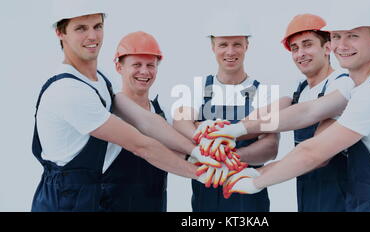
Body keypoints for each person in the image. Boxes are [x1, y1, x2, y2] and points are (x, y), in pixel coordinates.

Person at [211, 2, 370, 212]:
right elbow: (307, 111)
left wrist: (256, 180)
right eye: (337, 36)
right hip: (360, 199)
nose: (342, 45)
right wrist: (236, 128)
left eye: (353, 35)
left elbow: (314, 152)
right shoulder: (357, 85)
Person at [31, 0, 218, 212]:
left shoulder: (100, 80)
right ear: (60, 32)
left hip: (89, 199)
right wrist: (205, 174)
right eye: (81, 28)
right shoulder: (68, 90)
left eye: (97, 26)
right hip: (63, 202)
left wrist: (197, 150)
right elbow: (141, 145)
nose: (92, 36)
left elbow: (145, 120)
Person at [173, 13, 279, 212]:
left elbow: (271, 146)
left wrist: (227, 159)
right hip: (206, 193)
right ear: (213, 47)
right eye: (223, 44)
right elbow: (180, 122)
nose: (230, 51)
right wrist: (201, 134)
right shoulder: (197, 88)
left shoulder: (263, 93)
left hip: (249, 193)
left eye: (237, 44)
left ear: (247, 45)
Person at [281, 14, 354, 212]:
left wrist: (261, 177)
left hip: (340, 200)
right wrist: (226, 130)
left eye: (307, 44)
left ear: (327, 47)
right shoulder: (299, 89)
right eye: (295, 48)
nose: (300, 53)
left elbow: (318, 156)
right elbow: (266, 116)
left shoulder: (341, 84)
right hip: (308, 195)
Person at [100, 31, 171, 211]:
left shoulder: (164, 115)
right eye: (136, 64)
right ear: (119, 67)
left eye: (150, 65)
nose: (144, 71)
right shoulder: (105, 115)